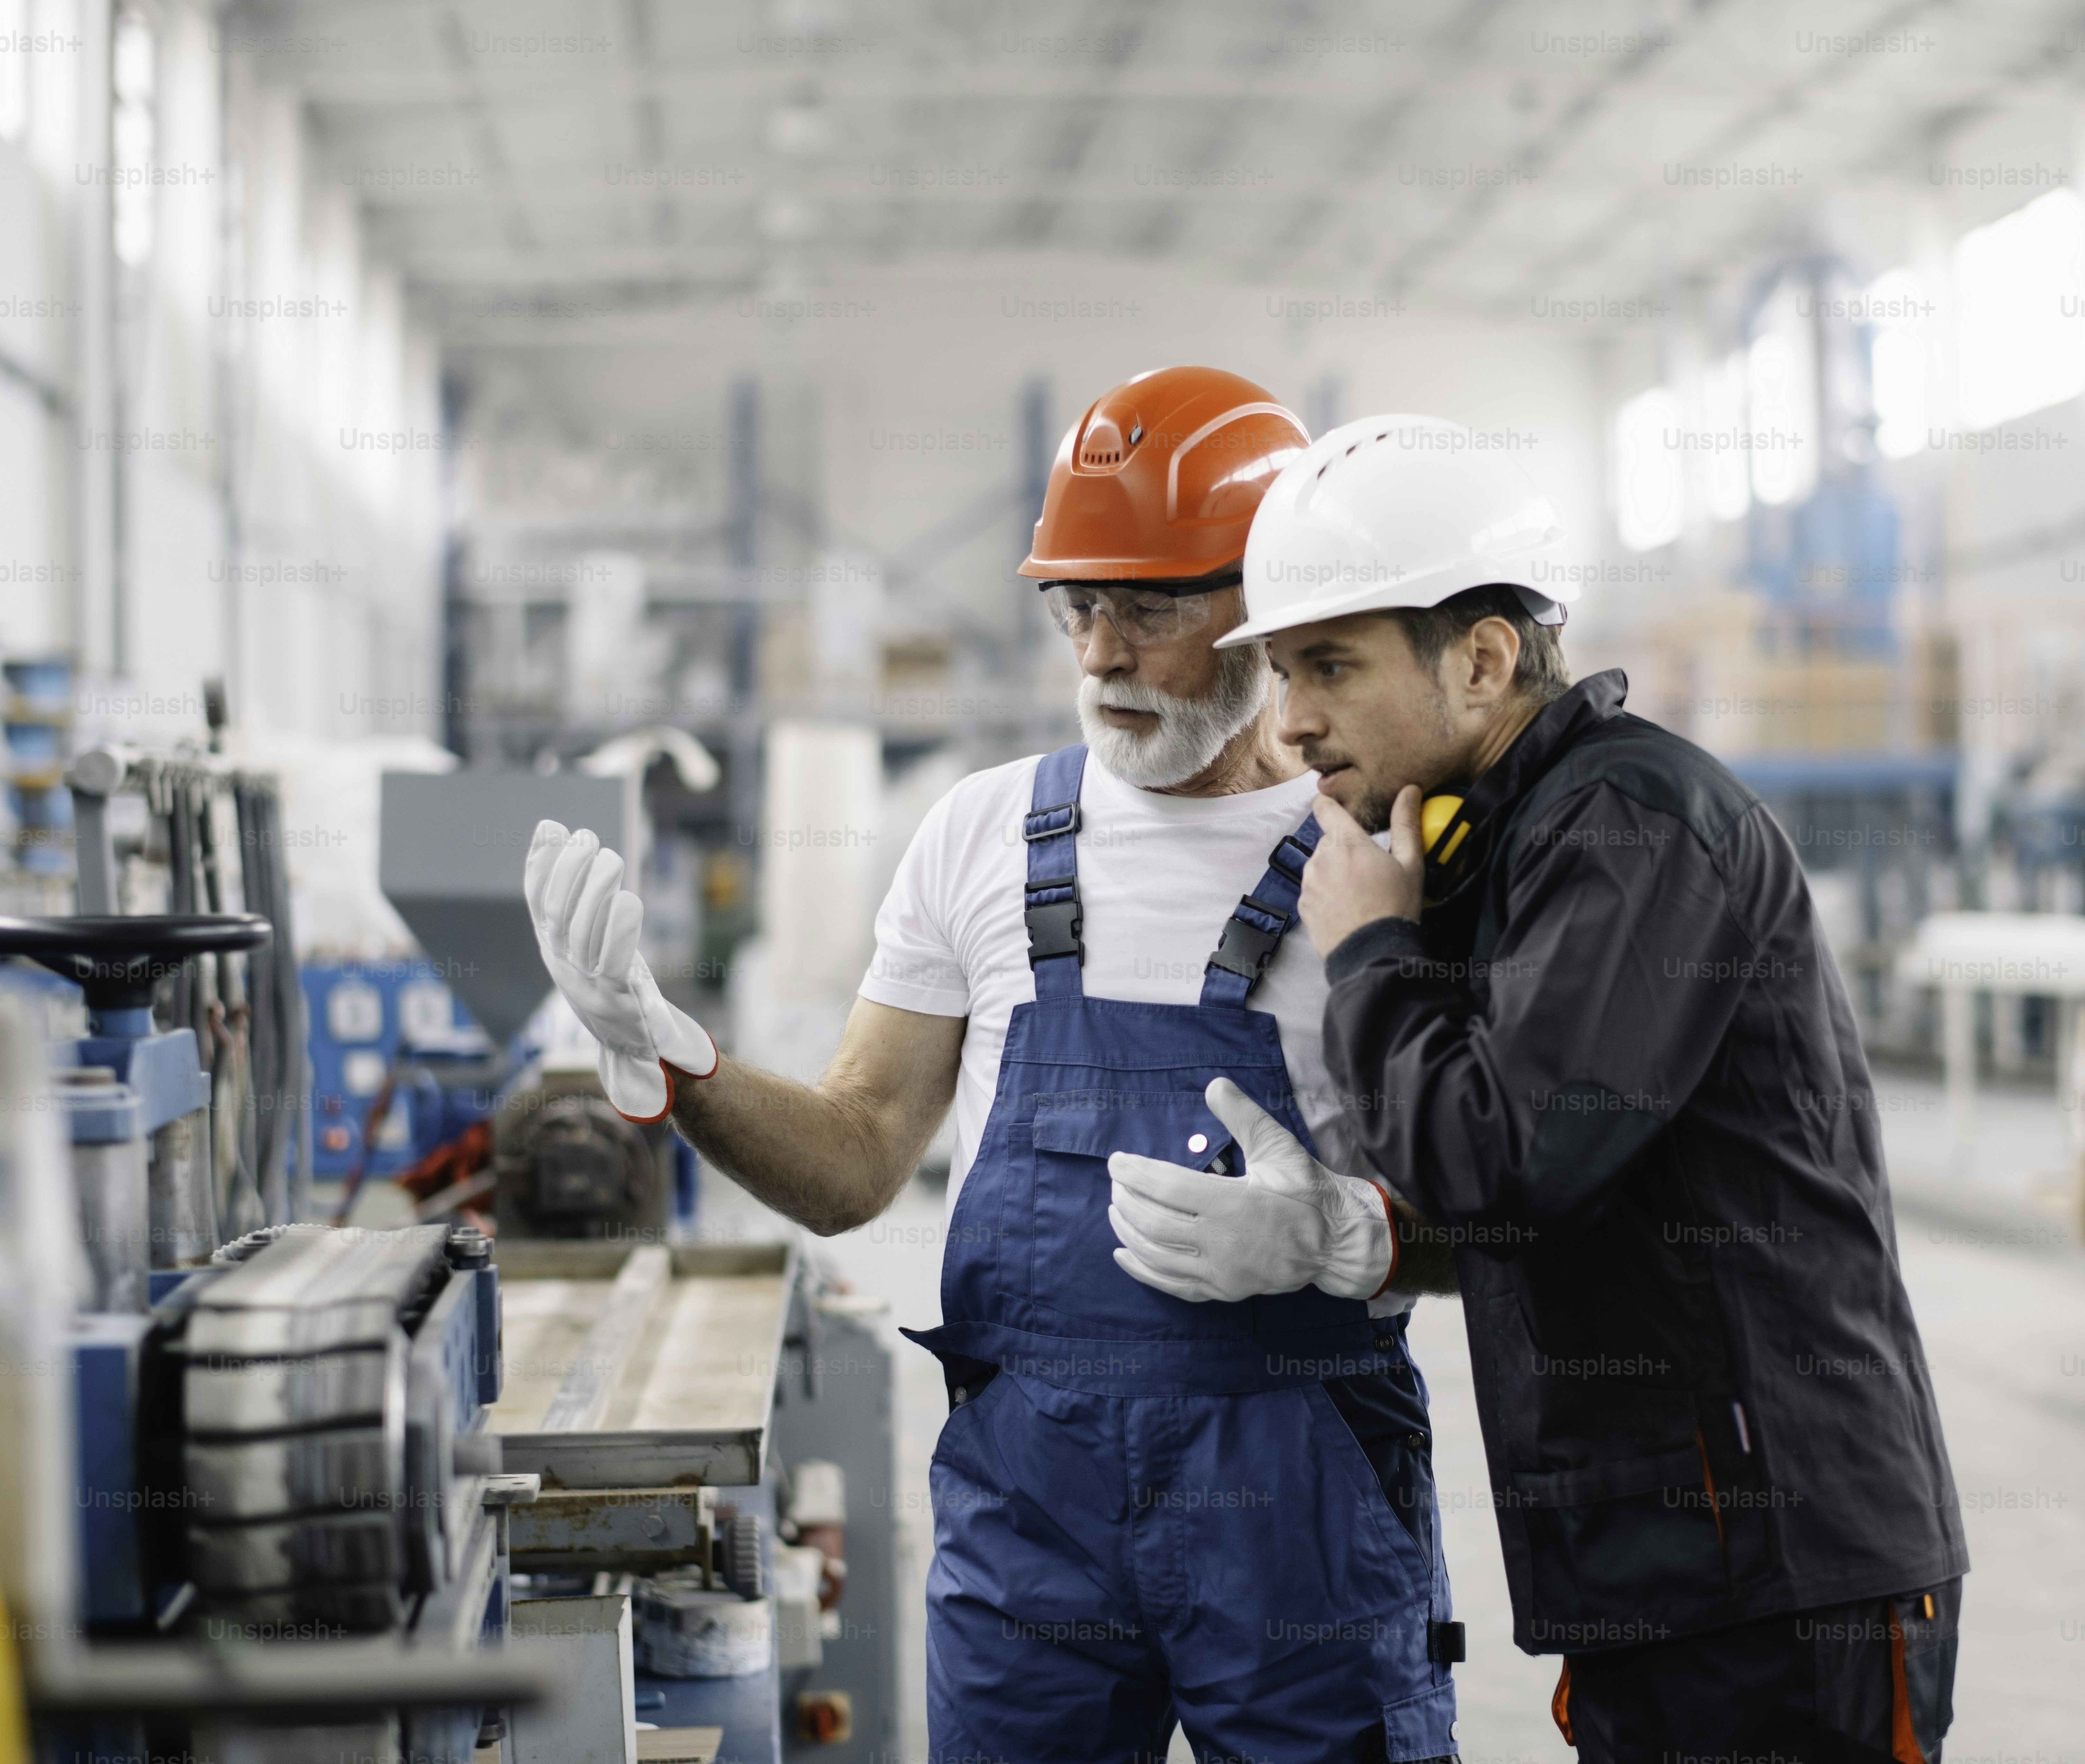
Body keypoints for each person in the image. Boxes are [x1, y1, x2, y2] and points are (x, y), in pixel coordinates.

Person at [523, 368, 1465, 1764]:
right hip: (1034, 1531)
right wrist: (679, 1058)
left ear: (1268, 610)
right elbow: (853, 1158)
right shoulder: (980, 835)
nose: (1099, 654)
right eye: (1075, 607)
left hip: (1302, 1514)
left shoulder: (1387, 854)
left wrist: (1347, 1237)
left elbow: (1516, 1198)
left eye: (1149, 608)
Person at [1106, 415, 1966, 1762]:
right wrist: (1357, 1229)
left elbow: (1509, 1154)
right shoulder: (1503, 844)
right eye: (1280, 671)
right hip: (1662, 1558)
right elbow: (1537, 1183)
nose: (1294, 721)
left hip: (1781, 1568)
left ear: (1485, 658)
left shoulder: (1631, 825)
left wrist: (1373, 947)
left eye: (1330, 665)